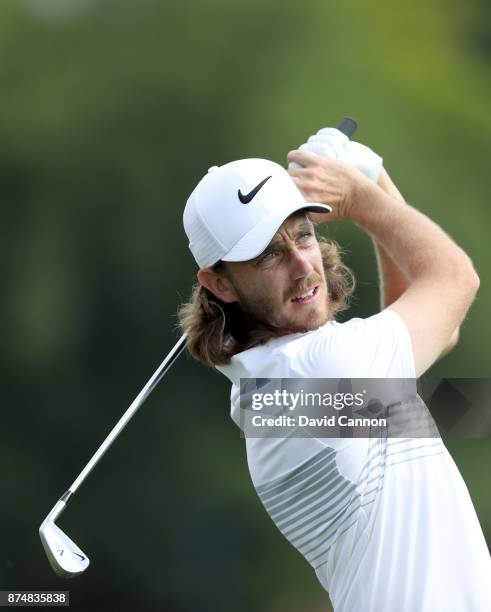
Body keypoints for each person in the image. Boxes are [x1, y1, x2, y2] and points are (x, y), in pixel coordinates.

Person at [178, 128, 491, 611]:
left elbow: (433, 329)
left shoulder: (268, 393)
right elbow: (454, 280)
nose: (303, 266)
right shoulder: (319, 369)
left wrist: (371, 178)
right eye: (269, 255)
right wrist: (363, 197)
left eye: (303, 234)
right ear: (220, 283)